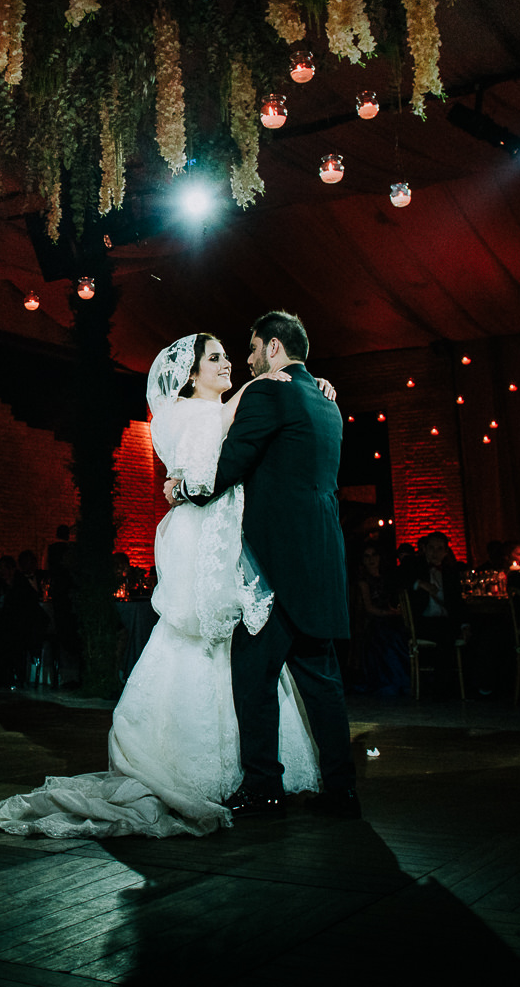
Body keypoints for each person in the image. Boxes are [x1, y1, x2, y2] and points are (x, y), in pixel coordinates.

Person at [0, 330, 331, 838]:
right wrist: (263, 388)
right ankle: (202, 763)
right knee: (202, 637)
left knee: (242, 649)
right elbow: (211, 459)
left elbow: (246, 436)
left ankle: (257, 770)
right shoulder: (184, 415)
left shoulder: (228, 407)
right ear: (190, 374)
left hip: (231, 537)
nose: (227, 364)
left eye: (227, 357)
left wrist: (309, 385)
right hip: (204, 539)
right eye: (215, 358)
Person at [190, 311, 359, 819]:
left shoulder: (270, 392)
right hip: (322, 562)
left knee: (253, 678)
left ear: (274, 348)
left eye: (252, 348)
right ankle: (343, 791)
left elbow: (232, 462)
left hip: (277, 570)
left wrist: (185, 491)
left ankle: (264, 788)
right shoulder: (328, 403)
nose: (246, 360)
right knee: (322, 683)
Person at [352, 541, 409, 695]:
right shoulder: (363, 582)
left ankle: (404, 679)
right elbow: (369, 608)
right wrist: (389, 613)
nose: (371, 559)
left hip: (391, 618)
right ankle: (392, 680)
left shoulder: (386, 577)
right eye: (367, 556)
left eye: (374, 555)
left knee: (401, 635)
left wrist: (396, 611)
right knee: (389, 638)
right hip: (375, 621)